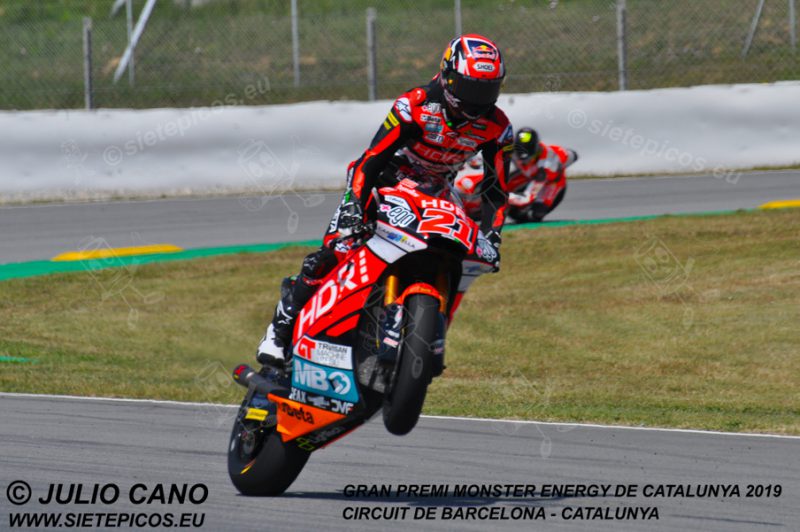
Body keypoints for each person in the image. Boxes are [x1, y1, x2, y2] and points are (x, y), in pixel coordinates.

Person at [257, 34, 514, 368]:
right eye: (471, 89)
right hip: (382, 179)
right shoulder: (415, 105)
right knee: (337, 250)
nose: (478, 101)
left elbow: (495, 190)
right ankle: (281, 325)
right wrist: (354, 205)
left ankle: (429, 333)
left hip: (436, 190)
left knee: (456, 247)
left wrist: (492, 235)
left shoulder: (498, 128)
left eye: (487, 90)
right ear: (449, 77)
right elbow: (371, 159)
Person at [507, 127, 577, 218]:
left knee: (534, 214)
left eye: (528, 157)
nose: (524, 161)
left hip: (550, 183)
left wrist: (502, 197)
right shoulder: (510, 149)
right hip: (526, 175)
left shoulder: (547, 166)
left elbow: (527, 198)